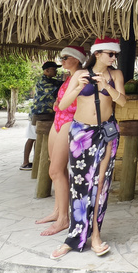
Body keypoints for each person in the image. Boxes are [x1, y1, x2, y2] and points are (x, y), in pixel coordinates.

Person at [50, 38, 126, 260]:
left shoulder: (116, 75)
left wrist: (106, 87)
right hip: (81, 133)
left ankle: (95, 235)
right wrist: (80, 86)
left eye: (115, 55)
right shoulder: (79, 74)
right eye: (110, 54)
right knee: (80, 184)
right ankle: (73, 237)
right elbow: (63, 105)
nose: (114, 58)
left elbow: (122, 102)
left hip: (107, 131)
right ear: (98, 54)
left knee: (101, 184)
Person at [36, 45, 87, 236]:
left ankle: (64, 218)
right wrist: (58, 103)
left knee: (56, 170)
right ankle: (58, 211)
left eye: (66, 57)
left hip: (69, 121)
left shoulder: (80, 73)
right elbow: (62, 100)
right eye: (62, 57)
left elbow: (70, 101)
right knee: (56, 170)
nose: (62, 61)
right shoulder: (69, 76)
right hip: (59, 119)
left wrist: (60, 103)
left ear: (77, 58)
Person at [21, 61, 62, 170]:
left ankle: (36, 161)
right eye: (54, 69)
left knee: (38, 139)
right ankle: (25, 163)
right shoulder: (43, 82)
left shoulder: (51, 81)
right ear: (46, 70)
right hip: (38, 114)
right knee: (32, 138)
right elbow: (56, 87)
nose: (56, 71)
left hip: (44, 114)